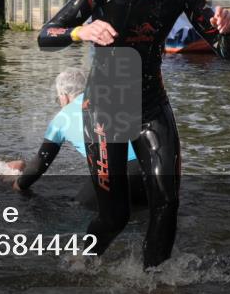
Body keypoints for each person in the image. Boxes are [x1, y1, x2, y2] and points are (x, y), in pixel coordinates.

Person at [38, 0, 230, 269]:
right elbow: (46, 35)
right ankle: (78, 267)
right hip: (105, 108)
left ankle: (155, 284)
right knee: (114, 217)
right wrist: (79, 34)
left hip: (151, 105)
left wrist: (227, 31)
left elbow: (229, 54)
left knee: (167, 203)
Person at [8, 68, 145, 209]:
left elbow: (40, 163)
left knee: (78, 208)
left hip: (113, 173)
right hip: (149, 167)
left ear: (64, 96)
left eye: (58, 98)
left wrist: (18, 185)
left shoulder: (62, 118)